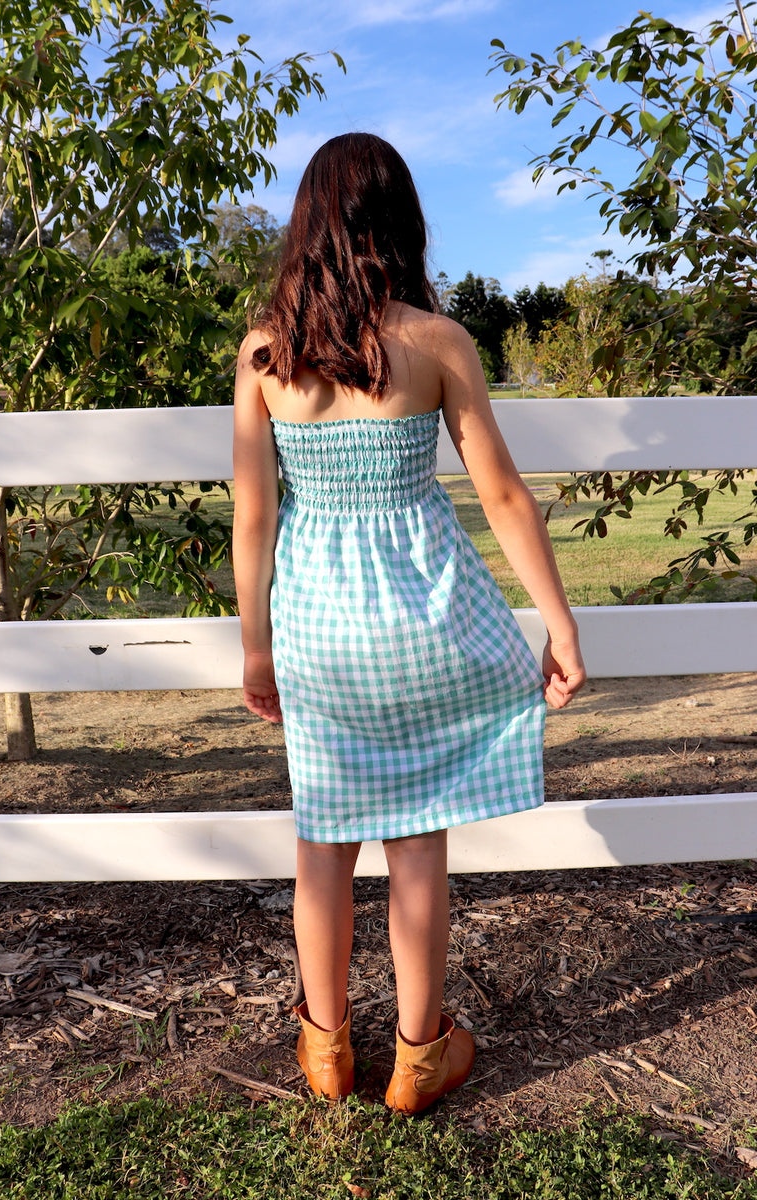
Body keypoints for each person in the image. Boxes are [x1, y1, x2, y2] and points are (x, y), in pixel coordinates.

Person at [232, 132, 585, 1114]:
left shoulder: (266, 352)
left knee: (320, 849)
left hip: (316, 627)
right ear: (400, 222)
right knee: (417, 845)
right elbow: (504, 496)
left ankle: (325, 1053)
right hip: (422, 618)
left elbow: (254, 514)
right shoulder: (436, 343)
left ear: (305, 223)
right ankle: (420, 1059)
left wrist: (254, 646)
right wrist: (555, 623)